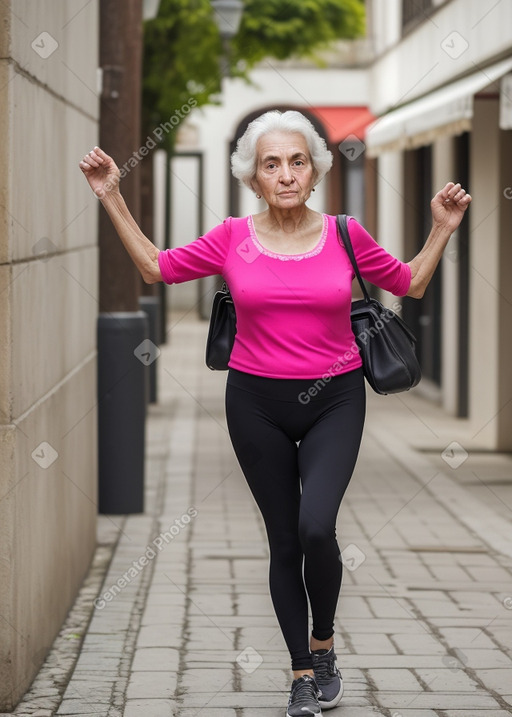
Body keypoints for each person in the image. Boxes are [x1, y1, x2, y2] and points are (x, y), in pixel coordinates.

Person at [79, 110, 471, 717]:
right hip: (255, 402)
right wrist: (112, 197)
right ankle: (300, 675)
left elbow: (411, 283)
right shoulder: (233, 236)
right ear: (253, 177)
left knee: (318, 526)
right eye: (271, 164)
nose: (285, 174)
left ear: (313, 171)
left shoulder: (345, 233)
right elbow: (156, 267)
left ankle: (325, 646)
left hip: (335, 398)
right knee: (285, 540)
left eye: (296, 161)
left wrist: (442, 227)